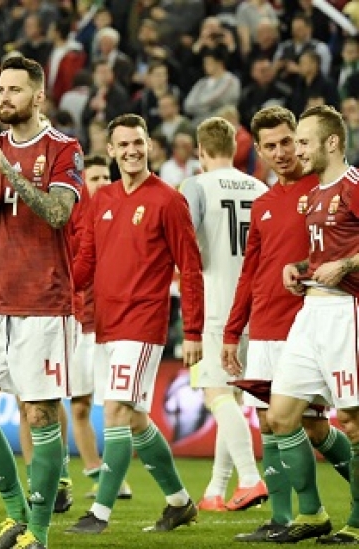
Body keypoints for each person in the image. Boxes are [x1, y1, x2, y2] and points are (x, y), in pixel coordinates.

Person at [0, 55, 82, 549]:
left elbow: (57, 213)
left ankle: (39, 534)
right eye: (0, 90)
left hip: (44, 303)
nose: (4, 98)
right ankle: (16, 515)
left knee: (40, 415)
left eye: (14, 90)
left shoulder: (64, 148)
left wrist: (7, 167)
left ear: (38, 96)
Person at [67, 113, 204, 535]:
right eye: (123, 144)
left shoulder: (168, 200)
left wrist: (194, 332)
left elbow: (191, 268)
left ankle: (100, 513)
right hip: (105, 326)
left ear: (150, 146)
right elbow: (86, 261)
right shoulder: (102, 199)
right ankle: (179, 503)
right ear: (110, 150)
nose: (132, 151)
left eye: (138, 143)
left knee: (116, 411)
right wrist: (61, 295)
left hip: (142, 324)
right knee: (137, 420)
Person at [223, 106, 353, 542]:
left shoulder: (325, 186)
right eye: (272, 146)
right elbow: (250, 271)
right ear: (258, 151)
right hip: (270, 325)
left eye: (289, 142)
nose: (283, 152)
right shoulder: (264, 203)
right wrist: (233, 331)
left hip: (317, 319)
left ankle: (335, 511)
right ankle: (285, 518)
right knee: (271, 421)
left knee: (321, 426)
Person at [178, 117, 268, 513]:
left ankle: (249, 478)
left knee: (215, 394)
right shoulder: (261, 188)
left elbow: (184, 247)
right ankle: (216, 489)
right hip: (256, 309)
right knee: (230, 396)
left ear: (201, 151)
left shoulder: (195, 186)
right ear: (235, 149)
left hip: (215, 307)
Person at [69, 154, 132, 502]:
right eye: (94, 178)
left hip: (114, 325)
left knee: (118, 406)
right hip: (82, 326)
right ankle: (97, 474)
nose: (102, 183)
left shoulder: (122, 218)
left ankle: (116, 477)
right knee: (80, 406)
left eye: (106, 177)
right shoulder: (74, 222)